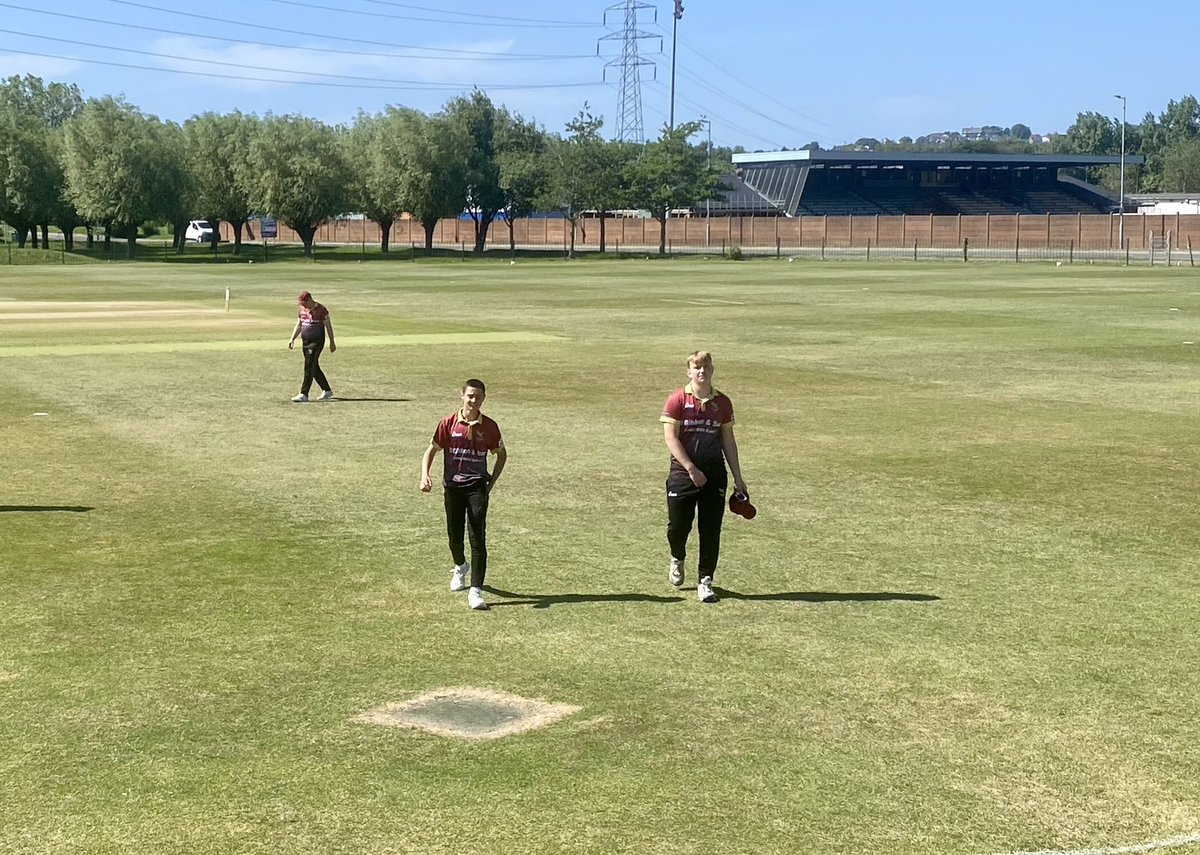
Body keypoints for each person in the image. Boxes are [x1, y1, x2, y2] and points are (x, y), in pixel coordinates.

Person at [660, 350, 748, 603]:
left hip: (714, 473)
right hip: (682, 472)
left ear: (712, 370)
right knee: (678, 528)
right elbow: (670, 438)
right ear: (689, 372)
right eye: (696, 368)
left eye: (705, 367)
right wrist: (690, 468)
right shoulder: (677, 399)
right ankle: (677, 557)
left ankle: (705, 581)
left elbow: (728, 441)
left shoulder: (723, 403)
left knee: (710, 529)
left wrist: (738, 478)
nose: (701, 372)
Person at [420, 380, 507, 611]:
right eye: (470, 396)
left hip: (477, 487)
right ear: (462, 396)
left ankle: (476, 590)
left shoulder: (489, 427)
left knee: (477, 536)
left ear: (483, 398)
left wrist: (491, 484)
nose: (473, 400)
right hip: (452, 487)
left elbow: (501, 454)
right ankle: (460, 566)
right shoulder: (448, 423)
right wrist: (424, 475)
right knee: (454, 536)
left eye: (478, 396)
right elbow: (431, 450)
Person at [287, 290, 335, 402]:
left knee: (308, 366)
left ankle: (304, 393)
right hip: (306, 342)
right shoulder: (302, 310)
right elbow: (299, 324)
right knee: (314, 366)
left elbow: (328, 326)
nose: (303, 305)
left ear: (309, 300)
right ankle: (327, 390)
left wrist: (332, 342)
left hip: (316, 342)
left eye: (304, 303)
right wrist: (292, 338)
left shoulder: (321, 310)